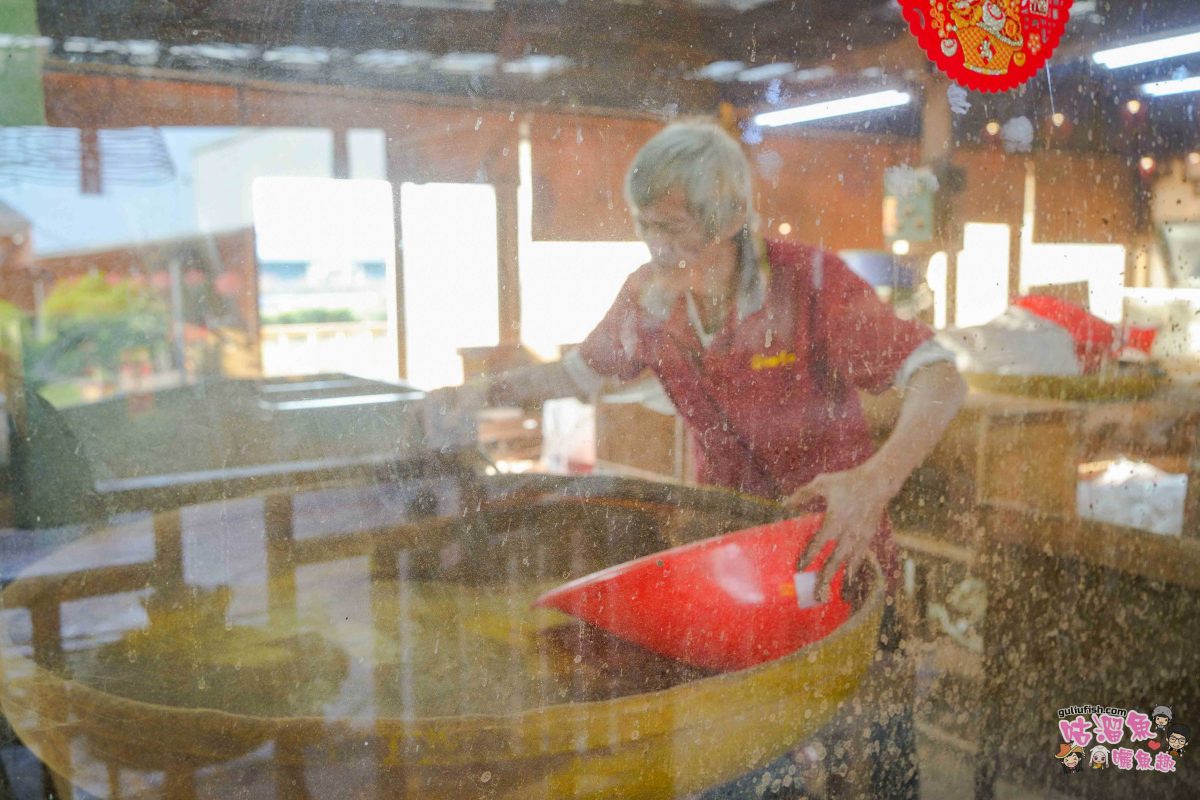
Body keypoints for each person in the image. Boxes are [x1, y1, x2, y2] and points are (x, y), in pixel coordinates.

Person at [425, 118, 966, 798]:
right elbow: (573, 377)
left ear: (734, 215)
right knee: (750, 755)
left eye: (677, 228)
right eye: (646, 225)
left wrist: (874, 483)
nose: (659, 246)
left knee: (876, 756)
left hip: (834, 549)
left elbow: (942, 377)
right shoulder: (648, 298)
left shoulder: (808, 284)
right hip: (731, 568)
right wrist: (478, 394)